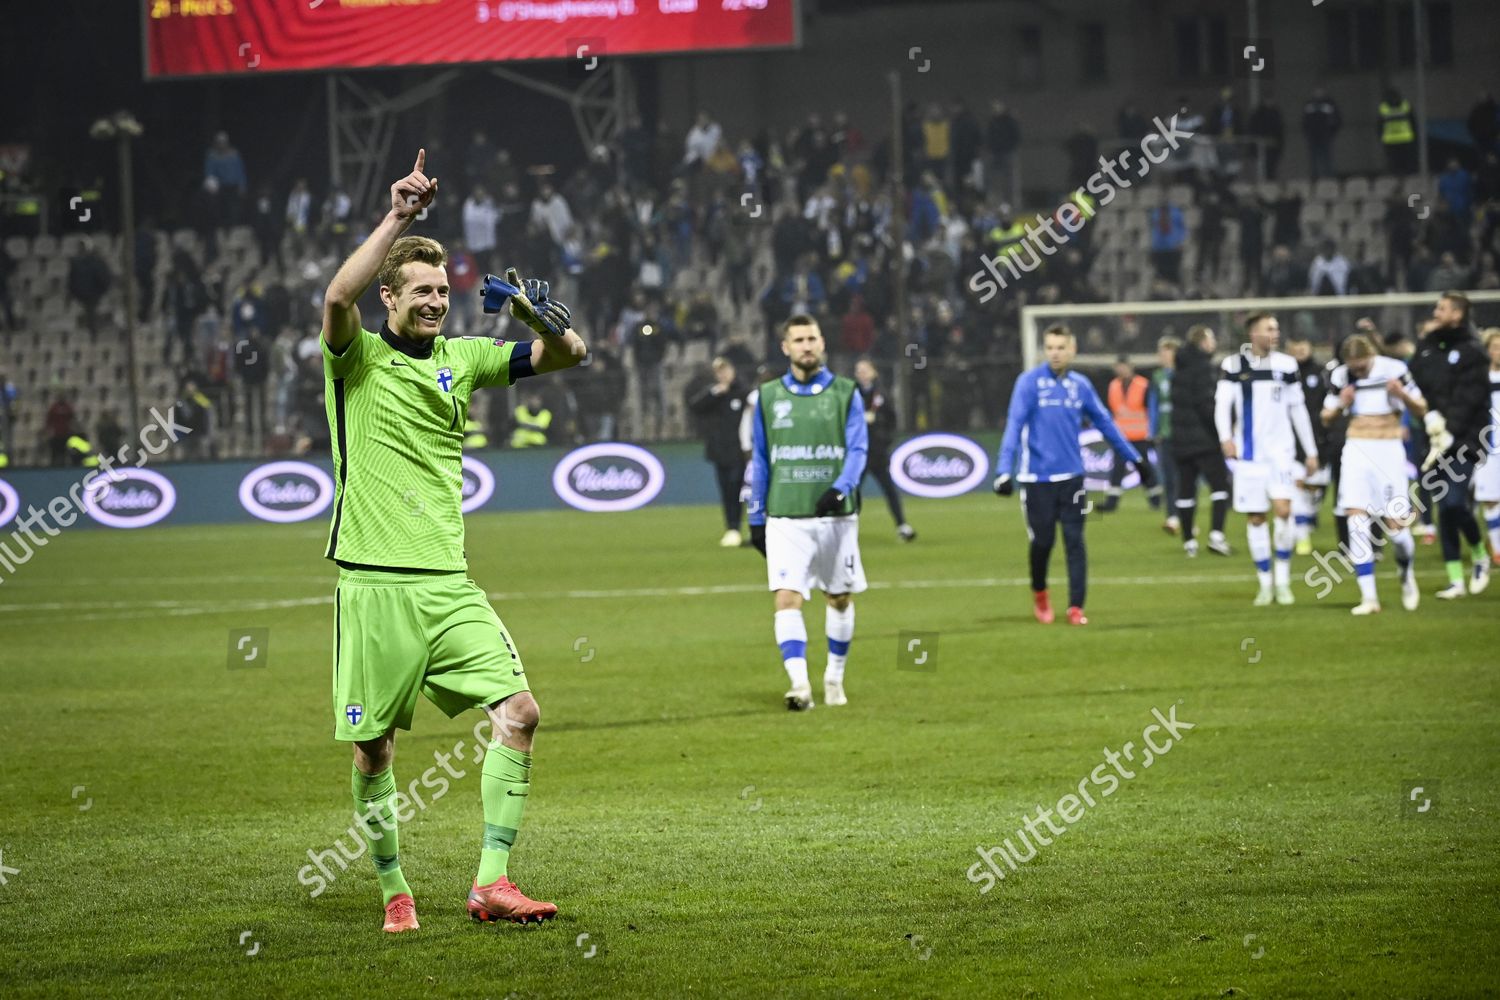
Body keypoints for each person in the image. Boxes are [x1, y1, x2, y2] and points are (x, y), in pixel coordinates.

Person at [319, 150, 586, 933]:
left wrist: (538, 317)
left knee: (523, 711)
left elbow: (572, 355)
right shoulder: (355, 359)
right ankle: (394, 887)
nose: (436, 301)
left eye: (443, 290)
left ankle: (491, 882)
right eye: (422, 291)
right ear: (390, 297)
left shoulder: (463, 360)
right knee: (373, 754)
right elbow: (338, 294)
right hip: (372, 585)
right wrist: (400, 217)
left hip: (447, 585)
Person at [993, 325, 1154, 626]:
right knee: (1042, 543)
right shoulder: (1028, 383)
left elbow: (1105, 423)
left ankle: (1075, 607)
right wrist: (1004, 471)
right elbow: (1013, 426)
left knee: (1074, 540)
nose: (1054, 353)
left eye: (1060, 347)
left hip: (1073, 480)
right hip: (1036, 480)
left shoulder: (1080, 385)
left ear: (1072, 350)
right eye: (1050, 347)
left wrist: (1137, 460)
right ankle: (1040, 592)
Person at [747, 314, 868, 711]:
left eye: (812, 338)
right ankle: (800, 686)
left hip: (836, 516)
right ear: (785, 347)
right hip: (786, 515)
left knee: (839, 599)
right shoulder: (766, 397)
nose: (806, 345)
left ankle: (834, 676)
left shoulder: (847, 393)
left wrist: (840, 488)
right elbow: (762, 460)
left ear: (823, 343)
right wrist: (756, 515)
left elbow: (858, 450)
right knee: (786, 599)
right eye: (798, 339)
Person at [1216, 312, 1321, 606]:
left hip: (1281, 454)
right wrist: (1226, 437)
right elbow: (1222, 404)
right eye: (1269, 328)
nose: (1275, 333)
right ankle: (1265, 584)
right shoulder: (1233, 365)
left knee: (1284, 511)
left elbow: (1298, 410)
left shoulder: (1287, 365)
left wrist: (1310, 450)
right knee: (1257, 517)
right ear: (1253, 334)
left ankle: (1284, 581)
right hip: (1249, 456)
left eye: (1276, 327)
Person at [1320, 334, 1426, 614]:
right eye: (1353, 366)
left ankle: (1406, 572)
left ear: (1371, 357)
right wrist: (1342, 403)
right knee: (1356, 518)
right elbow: (1326, 417)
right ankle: (1369, 597)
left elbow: (1421, 407)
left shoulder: (1394, 369)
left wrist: (1401, 394)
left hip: (1389, 450)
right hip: (1356, 447)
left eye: (1362, 365)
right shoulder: (1341, 375)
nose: (1358, 370)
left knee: (1396, 527)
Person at [1408, 292, 1492, 598]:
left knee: (1454, 501)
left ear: (1458, 314)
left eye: (1441, 308)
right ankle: (1456, 578)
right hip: (1434, 435)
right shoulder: (1428, 346)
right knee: (1444, 507)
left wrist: (1449, 432)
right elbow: (1417, 379)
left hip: (1466, 438)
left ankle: (1479, 552)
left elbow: (1469, 398)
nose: (1435, 312)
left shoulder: (1473, 351)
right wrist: (1429, 417)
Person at [687, 357, 748, 547]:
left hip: (739, 452)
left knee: (736, 488)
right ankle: (731, 528)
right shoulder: (714, 396)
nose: (723, 375)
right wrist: (713, 393)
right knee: (726, 491)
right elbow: (694, 407)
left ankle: (737, 526)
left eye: (725, 370)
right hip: (719, 451)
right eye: (719, 372)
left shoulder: (744, 393)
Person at [854, 359, 915, 542]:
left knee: (889, 490)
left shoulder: (882, 394)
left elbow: (892, 420)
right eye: (859, 370)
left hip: (878, 453)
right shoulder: (852, 394)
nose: (861, 373)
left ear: (874, 372)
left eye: (865, 370)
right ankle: (845, 528)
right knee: (853, 492)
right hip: (859, 453)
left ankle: (902, 525)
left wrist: (885, 440)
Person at [1287, 333, 1331, 555]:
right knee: (1298, 486)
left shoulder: (1321, 373)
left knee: (1314, 488)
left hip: (1319, 438)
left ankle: (1310, 514)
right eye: (1295, 346)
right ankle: (1302, 536)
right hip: (1292, 440)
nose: (1299, 349)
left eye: (1303, 345)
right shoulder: (1285, 375)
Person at [1102, 354, 1153, 513]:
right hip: (1121, 437)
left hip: (1139, 436)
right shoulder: (1113, 385)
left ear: (1130, 367)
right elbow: (1112, 410)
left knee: (1144, 468)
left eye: (1124, 366)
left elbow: (1151, 410)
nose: (1121, 369)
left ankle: (1155, 499)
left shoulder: (1143, 385)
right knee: (1117, 469)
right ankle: (1111, 502)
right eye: (1119, 366)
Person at [1149, 337, 1180, 536]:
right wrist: (1154, 430)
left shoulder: (1183, 375)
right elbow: (1153, 406)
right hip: (1165, 434)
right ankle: (1172, 516)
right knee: (1168, 478)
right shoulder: (1157, 377)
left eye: (1166, 352)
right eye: (1161, 353)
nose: (1163, 356)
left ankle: (1184, 515)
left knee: (1183, 478)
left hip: (1183, 434)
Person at [1475, 328, 1500, 565]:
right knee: (1490, 499)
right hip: (1488, 447)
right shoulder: (1479, 378)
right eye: (1495, 347)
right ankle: (1497, 548)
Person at [1301, 88, 1341, 180]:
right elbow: (1304, 121)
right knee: (1313, 159)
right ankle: (1315, 178)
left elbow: (1337, 119)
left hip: (1325, 136)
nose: (1318, 93)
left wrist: (1331, 132)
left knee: (1327, 158)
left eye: (1320, 91)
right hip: (1313, 136)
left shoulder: (1330, 104)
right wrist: (1307, 133)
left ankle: (1329, 178)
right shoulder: (1309, 105)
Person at [1378, 88, 1417, 176]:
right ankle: (1407, 174)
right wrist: (1414, 135)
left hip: (1390, 139)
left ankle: (1396, 174)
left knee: (1394, 162)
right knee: (1406, 160)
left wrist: (1380, 136)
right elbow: (1413, 122)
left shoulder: (1384, 108)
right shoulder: (1405, 106)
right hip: (1405, 138)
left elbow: (1379, 125)